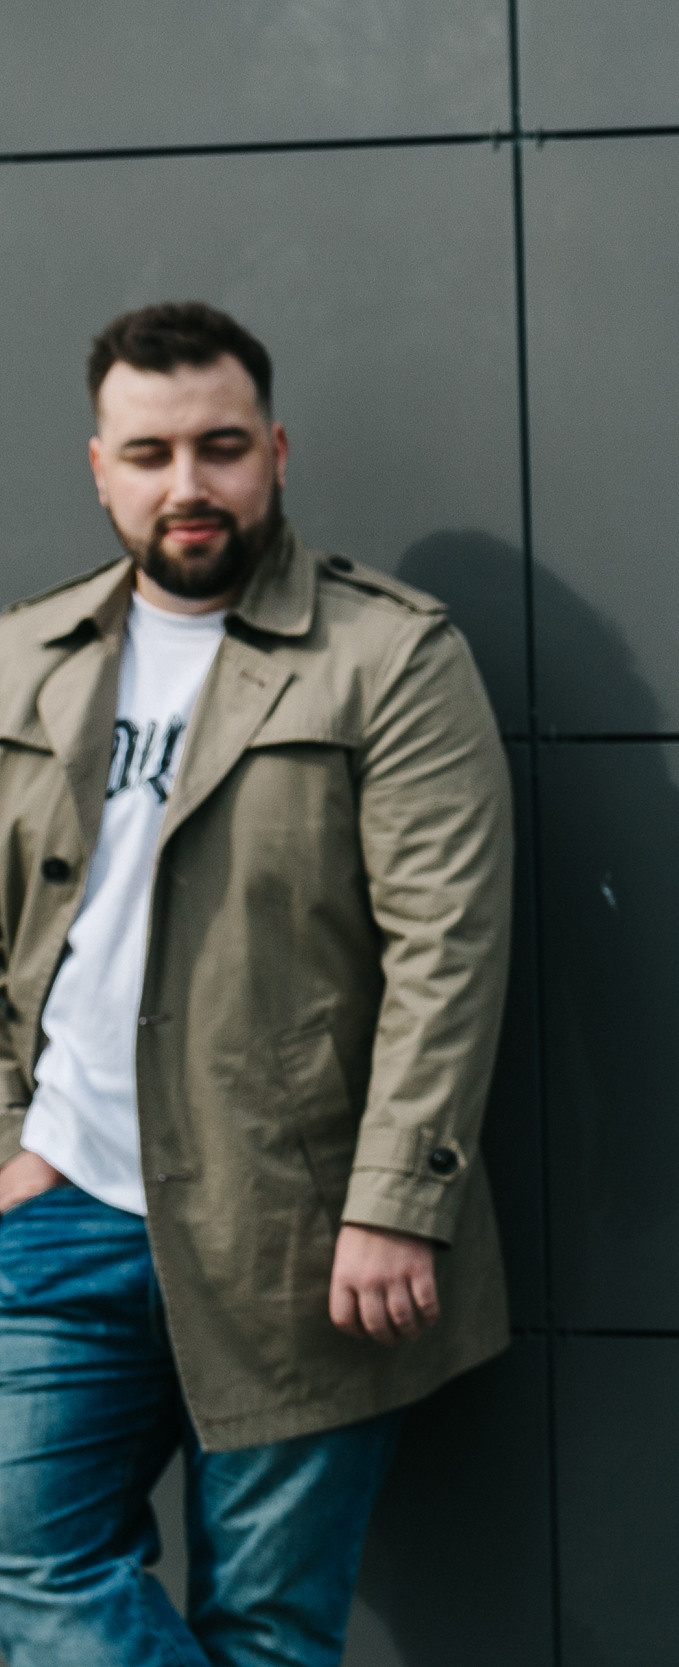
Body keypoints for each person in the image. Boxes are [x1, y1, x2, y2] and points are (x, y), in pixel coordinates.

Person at [0, 302, 513, 1665]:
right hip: (63, 1210)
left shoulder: (390, 658)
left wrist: (399, 1202)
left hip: (302, 1234)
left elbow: (446, 953)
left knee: (270, 1629)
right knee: (28, 1575)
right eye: (152, 452)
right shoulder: (24, 661)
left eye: (221, 447)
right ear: (98, 467)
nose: (189, 485)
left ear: (275, 453)